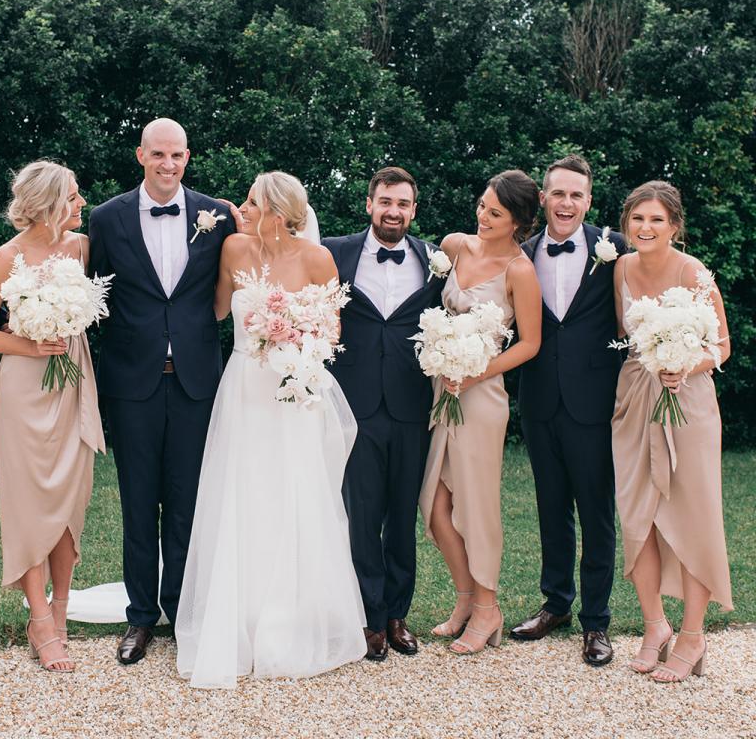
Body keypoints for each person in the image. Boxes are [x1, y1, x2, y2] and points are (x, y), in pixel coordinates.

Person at [175, 171, 366, 689]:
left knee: (291, 495)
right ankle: (238, 618)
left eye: (252, 201)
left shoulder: (317, 258)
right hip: (244, 387)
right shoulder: (235, 248)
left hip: (292, 389)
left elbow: (332, 330)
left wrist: (291, 331)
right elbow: (218, 309)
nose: (244, 206)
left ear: (277, 211)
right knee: (243, 493)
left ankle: (287, 622)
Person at [86, 118, 236, 664]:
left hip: (198, 382)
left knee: (188, 505)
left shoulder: (216, 217)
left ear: (187, 157)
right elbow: (93, 298)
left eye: (176, 155)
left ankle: (183, 613)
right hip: (133, 384)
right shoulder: (106, 218)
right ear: (140, 155)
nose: (167, 164)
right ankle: (141, 618)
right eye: (158, 155)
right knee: (137, 503)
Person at [0, 160, 105, 673]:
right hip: (25, 385)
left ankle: (61, 612)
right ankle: (38, 618)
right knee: (28, 498)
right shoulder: (9, 256)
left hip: (72, 378)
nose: (82, 203)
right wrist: (29, 342)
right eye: (73, 195)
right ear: (49, 201)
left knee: (70, 495)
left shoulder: (83, 247)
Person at [611, 180, 733, 682]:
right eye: (638, 219)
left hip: (689, 401)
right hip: (636, 399)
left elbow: (722, 346)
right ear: (626, 225)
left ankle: (693, 635)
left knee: (691, 514)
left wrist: (685, 365)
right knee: (637, 512)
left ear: (675, 226)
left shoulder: (694, 271)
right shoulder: (620, 267)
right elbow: (625, 336)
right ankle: (654, 625)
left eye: (656, 219)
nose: (645, 228)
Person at [322, 167, 444, 661]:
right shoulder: (334, 252)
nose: (394, 211)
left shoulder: (435, 261)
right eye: (385, 202)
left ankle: (397, 615)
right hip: (355, 404)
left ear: (414, 210)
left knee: (402, 515)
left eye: (403, 204)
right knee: (361, 513)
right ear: (369, 204)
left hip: (412, 402)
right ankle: (369, 617)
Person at [419, 170, 542, 654]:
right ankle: (467, 597)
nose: (483, 216)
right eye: (482, 205)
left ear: (518, 222)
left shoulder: (520, 271)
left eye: (496, 212)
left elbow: (530, 343)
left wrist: (476, 372)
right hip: (441, 390)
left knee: (476, 505)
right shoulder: (454, 246)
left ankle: (488, 607)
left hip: (482, 396)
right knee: (434, 507)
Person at [512, 155, 626, 666]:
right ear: (543, 197)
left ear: (588, 200)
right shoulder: (522, 252)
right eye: (558, 193)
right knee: (551, 508)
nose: (566, 203)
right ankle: (555, 603)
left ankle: (597, 623)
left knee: (597, 513)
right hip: (539, 401)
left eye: (576, 195)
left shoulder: (616, 250)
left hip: (593, 404)